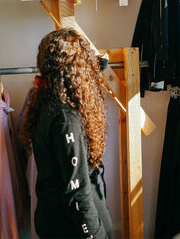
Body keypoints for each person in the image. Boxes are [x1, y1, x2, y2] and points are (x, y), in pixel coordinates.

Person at [21, 28, 112, 238]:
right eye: (83, 63)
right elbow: (77, 191)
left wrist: (97, 67)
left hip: (54, 219)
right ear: (75, 69)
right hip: (70, 227)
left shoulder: (46, 99)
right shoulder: (65, 119)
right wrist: (95, 234)